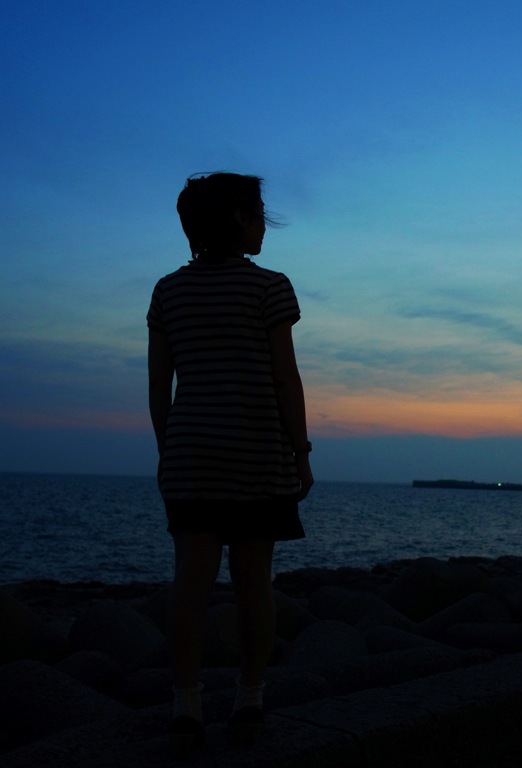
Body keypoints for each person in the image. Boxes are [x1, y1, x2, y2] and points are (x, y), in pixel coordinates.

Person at [147, 172, 314, 757]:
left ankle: (186, 706)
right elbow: (284, 375)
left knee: (190, 583)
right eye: (260, 211)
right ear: (240, 220)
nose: (265, 221)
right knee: (252, 583)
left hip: (192, 455)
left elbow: (158, 386)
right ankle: (249, 698)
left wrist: (172, 452)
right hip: (257, 452)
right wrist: (301, 449)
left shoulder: (168, 292)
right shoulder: (270, 288)